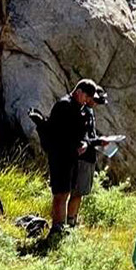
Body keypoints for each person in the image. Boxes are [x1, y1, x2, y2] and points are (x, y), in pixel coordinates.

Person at [41, 78, 106, 235]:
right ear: (79, 92)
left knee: (65, 192)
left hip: (71, 156)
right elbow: (60, 134)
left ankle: (62, 227)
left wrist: (83, 144)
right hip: (60, 156)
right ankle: (57, 228)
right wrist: (76, 145)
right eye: (86, 97)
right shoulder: (65, 105)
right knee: (60, 194)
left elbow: (78, 133)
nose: (87, 101)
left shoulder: (78, 107)